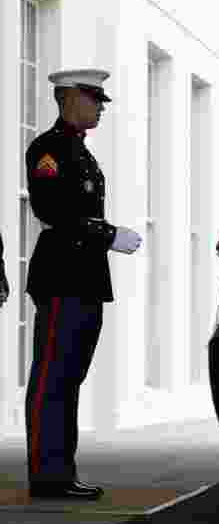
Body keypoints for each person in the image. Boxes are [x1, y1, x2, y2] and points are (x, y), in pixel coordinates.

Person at [24, 69, 142, 500]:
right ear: (70, 98)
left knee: (68, 377)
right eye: (93, 99)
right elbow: (51, 210)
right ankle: (48, 474)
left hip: (84, 278)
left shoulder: (79, 152)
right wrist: (109, 235)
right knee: (53, 377)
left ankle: (60, 470)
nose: (100, 107)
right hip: (62, 277)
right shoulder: (50, 150)